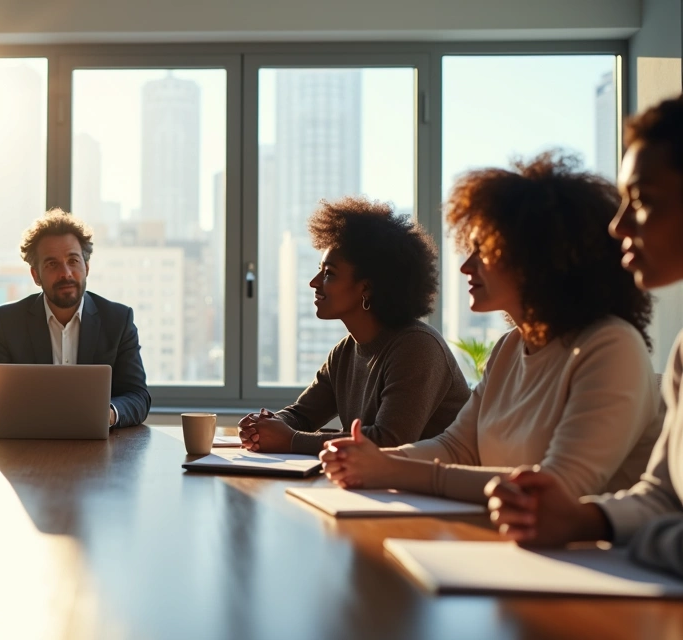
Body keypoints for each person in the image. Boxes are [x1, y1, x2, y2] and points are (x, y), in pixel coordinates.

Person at [319, 151, 662, 504]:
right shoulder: (510, 347)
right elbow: (455, 447)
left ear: (538, 258)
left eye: (483, 251)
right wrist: (369, 459)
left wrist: (389, 469)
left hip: (590, 557)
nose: (466, 266)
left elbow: (556, 485)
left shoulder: (611, 345)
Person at [487, 97, 683, 576]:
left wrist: (614, 531)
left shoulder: (609, 344)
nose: (618, 226)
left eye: (643, 201)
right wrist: (582, 518)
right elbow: (662, 494)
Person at [237, 197, 470, 455]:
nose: (314, 283)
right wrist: (267, 425)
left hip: (435, 491)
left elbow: (389, 441)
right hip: (384, 488)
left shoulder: (417, 347)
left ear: (367, 287)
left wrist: (291, 440)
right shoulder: (345, 352)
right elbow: (302, 415)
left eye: (329, 273)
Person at [0, 208, 150, 428]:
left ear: (86, 267)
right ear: (36, 275)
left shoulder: (118, 320)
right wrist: (17, 418)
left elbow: (138, 396)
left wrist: (108, 414)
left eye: (73, 261)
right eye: (52, 264)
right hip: (27, 452)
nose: (66, 273)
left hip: (99, 452)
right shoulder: (9, 322)